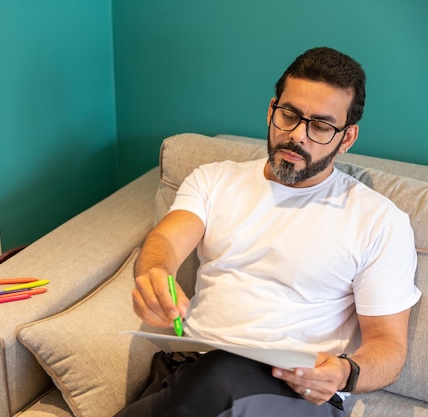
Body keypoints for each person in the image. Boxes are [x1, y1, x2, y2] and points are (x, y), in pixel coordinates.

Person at [117, 47, 421, 416]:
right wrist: (155, 274)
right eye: (289, 116)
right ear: (271, 110)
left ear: (347, 138)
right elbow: (165, 240)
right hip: (196, 372)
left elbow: (387, 345)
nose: (297, 136)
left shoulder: (379, 220)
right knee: (214, 376)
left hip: (297, 392)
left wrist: (344, 371)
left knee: (220, 378)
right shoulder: (214, 180)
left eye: (321, 127)